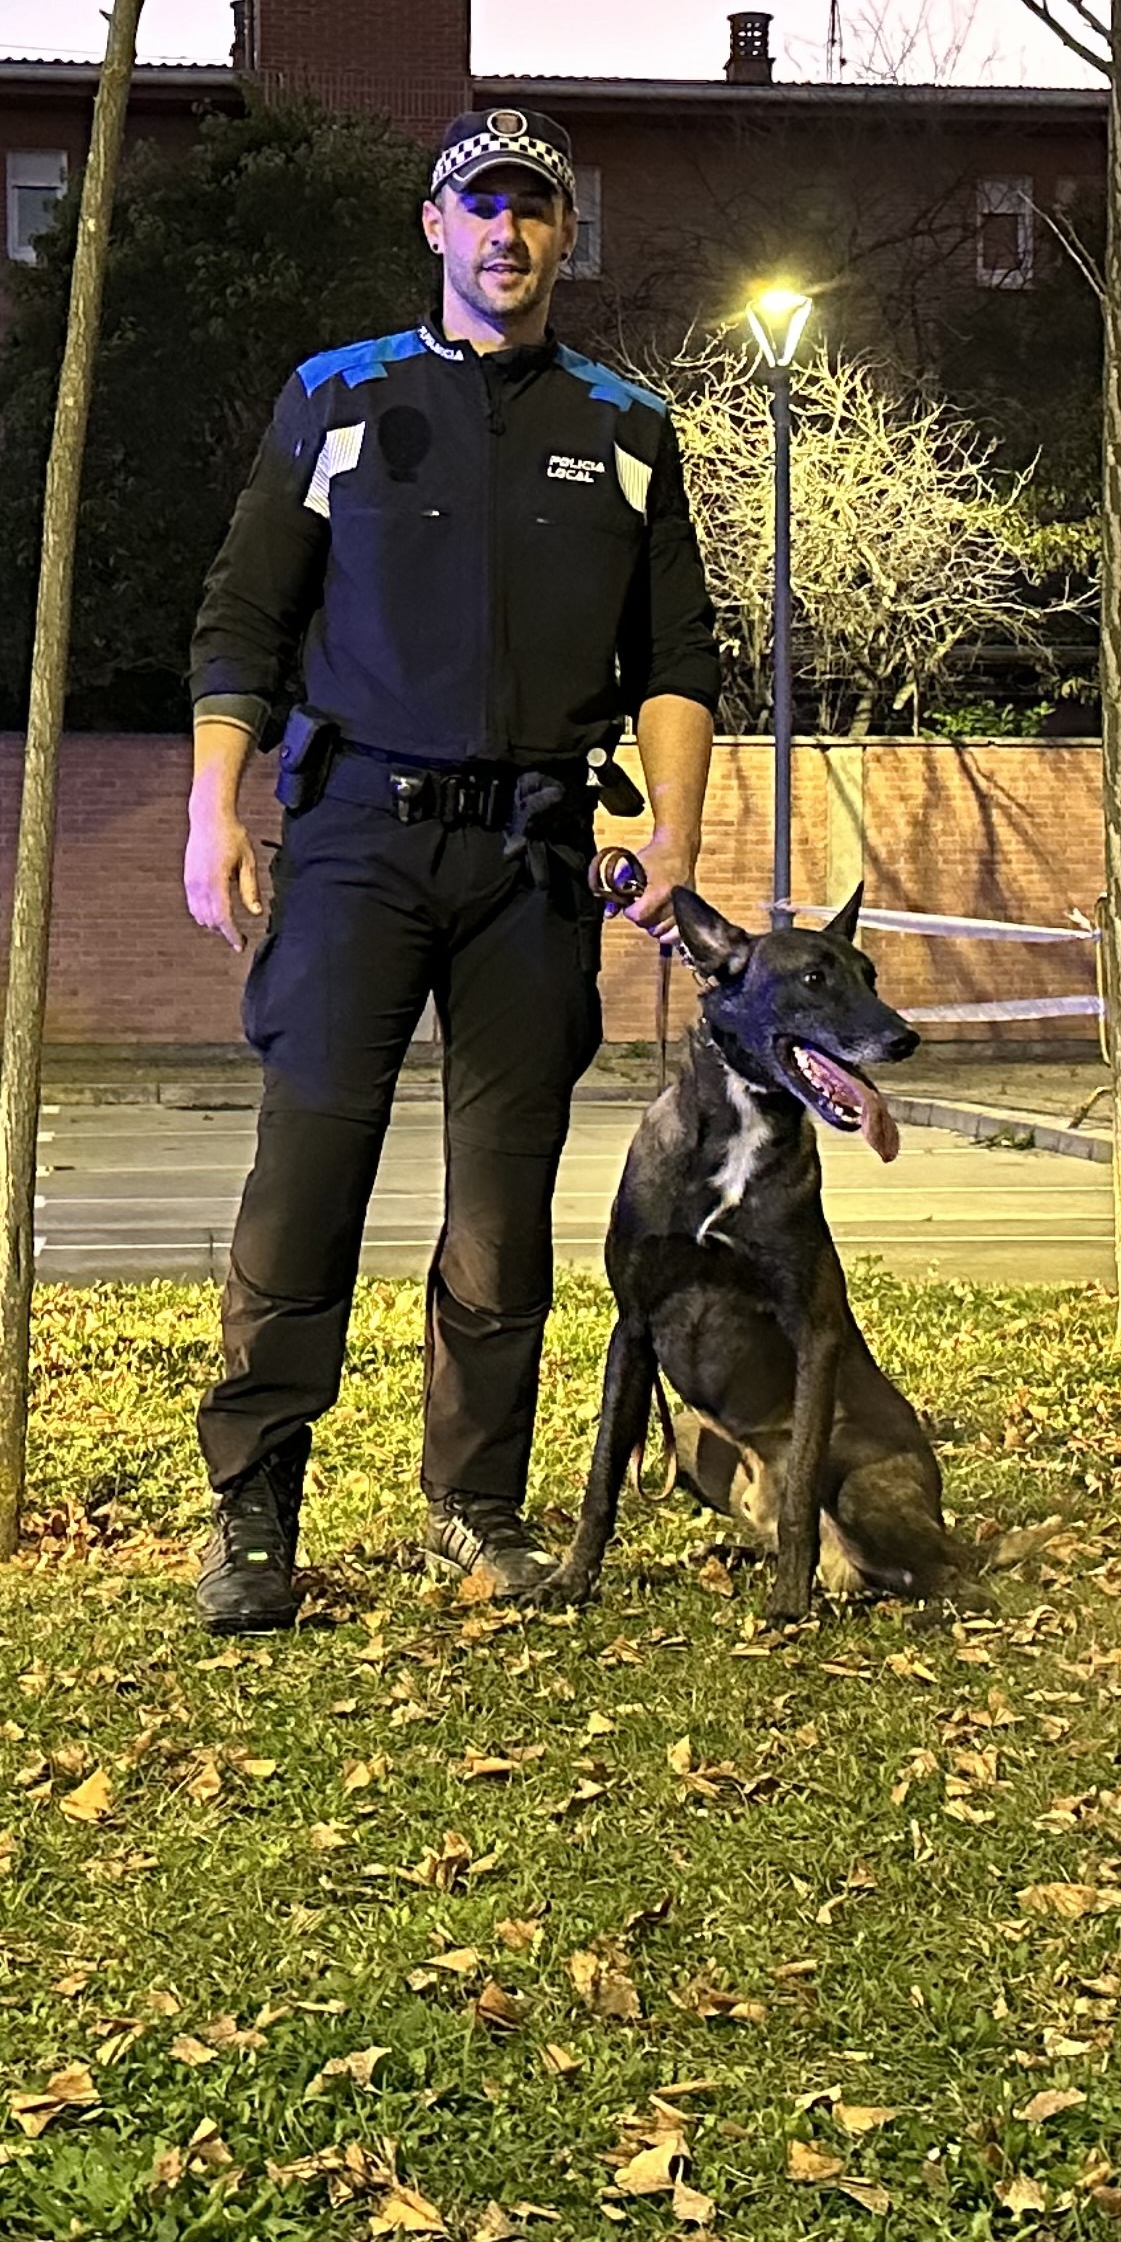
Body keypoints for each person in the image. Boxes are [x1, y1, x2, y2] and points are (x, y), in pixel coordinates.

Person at [181, 105, 723, 1634]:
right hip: (353, 843)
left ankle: (479, 1507)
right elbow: (242, 619)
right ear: (435, 227)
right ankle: (255, 1509)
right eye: (480, 206)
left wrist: (673, 836)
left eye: (533, 210)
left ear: (565, 236)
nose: (506, 232)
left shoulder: (628, 428)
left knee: (502, 1198)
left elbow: (679, 657)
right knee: (306, 1178)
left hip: (533, 860)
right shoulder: (336, 397)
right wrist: (215, 808)